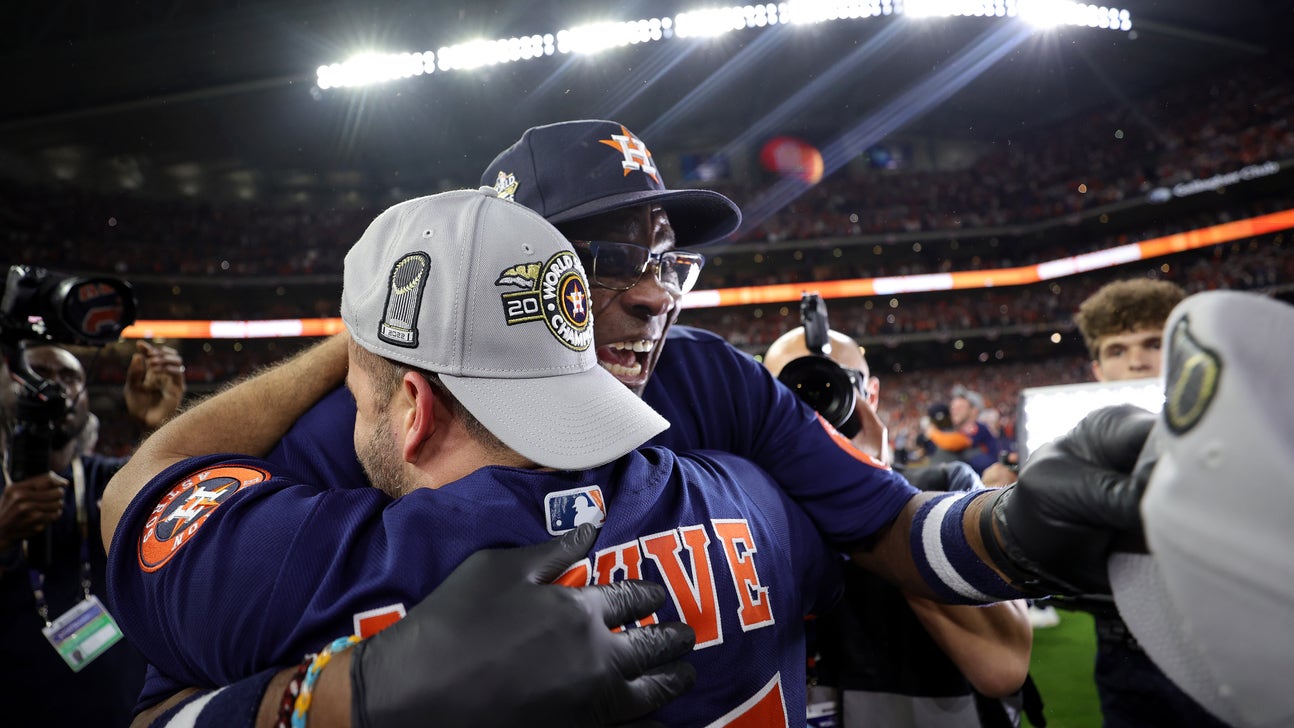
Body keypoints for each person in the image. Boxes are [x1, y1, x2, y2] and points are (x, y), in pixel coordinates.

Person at [105, 121, 1151, 724]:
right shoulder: (340, 442)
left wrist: (1008, 531)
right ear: (513, 276)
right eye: (603, 261)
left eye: (666, 261)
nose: (653, 295)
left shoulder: (707, 381)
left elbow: (887, 523)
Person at [104, 189, 834, 727]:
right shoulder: (749, 497)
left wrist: (326, 700)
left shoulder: (320, 566)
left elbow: (139, 493)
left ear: (414, 411)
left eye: (361, 394)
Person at [764, 326, 1032, 727]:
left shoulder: (942, 489)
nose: (812, 404)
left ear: (869, 395)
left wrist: (873, 497)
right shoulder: (738, 502)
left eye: (831, 382)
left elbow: (1002, 664)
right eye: (792, 389)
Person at [1, 340, 185, 728]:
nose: (53, 387)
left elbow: (179, 514)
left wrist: (161, 430)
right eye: (37, 373)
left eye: (69, 377)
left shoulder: (107, 480)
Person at [1072, 278, 1229, 727]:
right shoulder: (1075, 446)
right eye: (1117, 350)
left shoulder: (1238, 428)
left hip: (1224, 646)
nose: (1137, 361)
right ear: (1098, 370)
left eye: (1153, 343)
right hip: (1123, 650)